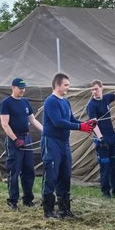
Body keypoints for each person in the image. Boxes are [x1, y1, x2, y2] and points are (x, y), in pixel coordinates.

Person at [41, 73, 97, 219]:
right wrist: (80, 127)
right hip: (52, 141)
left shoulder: (66, 102)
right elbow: (58, 122)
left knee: (65, 175)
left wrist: (85, 124)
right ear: (57, 85)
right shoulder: (50, 101)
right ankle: (48, 210)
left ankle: (64, 209)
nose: (68, 87)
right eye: (66, 85)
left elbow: (71, 119)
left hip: (64, 143)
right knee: (51, 175)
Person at [0, 78, 44, 211]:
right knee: (14, 170)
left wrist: (45, 132)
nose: (22, 90)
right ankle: (12, 201)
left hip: (26, 138)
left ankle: (28, 199)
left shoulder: (25, 102)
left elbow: (32, 120)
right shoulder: (6, 103)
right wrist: (15, 139)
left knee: (29, 170)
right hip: (15, 141)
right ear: (13, 87)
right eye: (20, 88)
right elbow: (4, 124)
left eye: (24, 88)